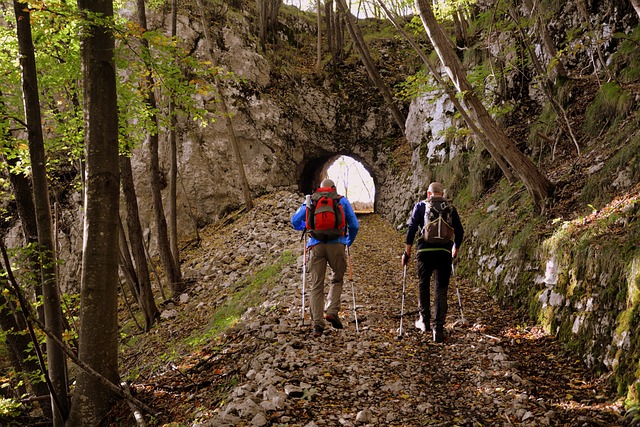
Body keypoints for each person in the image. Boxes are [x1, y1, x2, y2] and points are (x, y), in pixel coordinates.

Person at [291, 179, 359, 338]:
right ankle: (332, 310)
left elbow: (294, 221)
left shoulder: (311, 200)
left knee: (316, 285)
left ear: (320, 189)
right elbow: (354, 225)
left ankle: (317, 325)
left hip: (316, 245)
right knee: (337, 278)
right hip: (337, 245)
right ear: (333, 188)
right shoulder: (341, 200)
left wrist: (306, 227)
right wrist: (348, 240)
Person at [402, 181, 464, 343]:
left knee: (423, 284)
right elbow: (460, 231)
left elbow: (411, 229)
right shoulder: (450, 208)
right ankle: (439, 329)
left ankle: (424, 321)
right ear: (442, 194)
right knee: (441, 289)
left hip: (424, 251)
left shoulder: (421, 206)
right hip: (444, 252)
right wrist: (455, 248)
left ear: (429, 194)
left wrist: (407, 253)